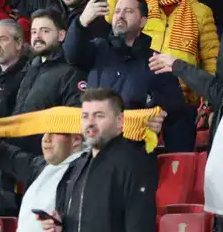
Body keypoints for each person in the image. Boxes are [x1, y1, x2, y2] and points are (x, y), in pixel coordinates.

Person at [66, 0, 194, 151]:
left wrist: (176, 159)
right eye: (117, 11)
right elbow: (71, 54)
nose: (120, 15)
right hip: (91, 146)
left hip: (132, 151)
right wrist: (81, 23)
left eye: (128, 11)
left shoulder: (156, 63)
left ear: (142, 22)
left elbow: (176, 117)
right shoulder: (97, 49)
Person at [41, 89, 157, 232]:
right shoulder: (77, 166)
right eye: (85, 116)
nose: (90, 123)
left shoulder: (135, 165)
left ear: (119, 121)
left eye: (99, 116)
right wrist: (60, 226)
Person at [108, 0, 219, 103]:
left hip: (184, 99)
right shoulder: (139, 7)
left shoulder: (201, 12)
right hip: (140, 96)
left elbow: (211, 60)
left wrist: (209, 102)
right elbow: (111, 16)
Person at [0, 132, 83, 232]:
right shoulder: (39, 166)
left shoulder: (85, 178)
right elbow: (3, 153)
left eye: (55, 133)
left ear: (76, 139)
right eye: (45, 132)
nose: (46, 139)